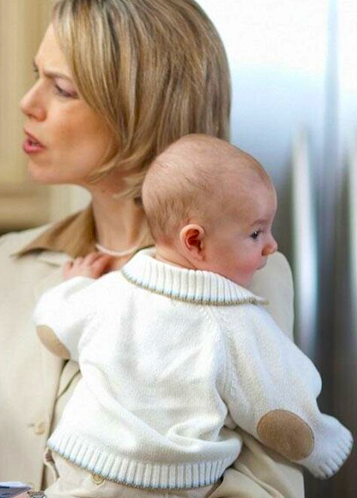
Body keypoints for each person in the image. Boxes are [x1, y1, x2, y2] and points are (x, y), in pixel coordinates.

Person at [0, 0, 307, 495]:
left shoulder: (243, 274)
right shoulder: (6, 267)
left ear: (139, 112)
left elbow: (270, 487)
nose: (28, 102)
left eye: (62, 88)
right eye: (36, 76)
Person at [34, 135, 352, 498]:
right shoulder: (236, 320)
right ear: (195, 242)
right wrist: (327, 446)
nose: (271, 245)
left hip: (80, 468)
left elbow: (52, 329)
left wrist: (74, 285)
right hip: (167, 485)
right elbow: (284, 413)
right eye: (256, 232)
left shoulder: (112, 291)